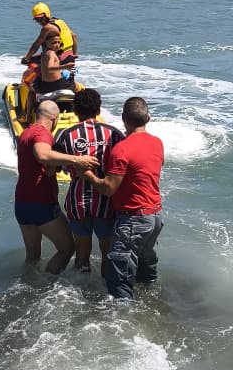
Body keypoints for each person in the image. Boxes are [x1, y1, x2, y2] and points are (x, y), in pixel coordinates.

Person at [81, 96, 164, 300]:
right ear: (148, 118)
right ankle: (152, 305)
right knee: (146, 272)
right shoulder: (157, 143)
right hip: (155, 217)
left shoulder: (122, 149)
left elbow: (108, 188)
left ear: (123, 118)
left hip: (133, 219)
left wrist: (87, 174)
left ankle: (123, 315)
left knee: (118, 277)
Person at [14, 99, 98, 274]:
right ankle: (48, 285)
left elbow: (44, 168)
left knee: (32, 257)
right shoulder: (42, 133)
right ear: (54, 118)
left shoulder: (25, 133)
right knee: (67, 249)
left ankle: (28, 285)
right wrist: (77, 159)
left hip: (21, 203)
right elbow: (42, 155)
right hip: (41, 202)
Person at [54, 88, 124, 275]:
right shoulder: (114, 134)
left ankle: (80, 287)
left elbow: (53, 168)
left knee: (82, 253)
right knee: (108, 254)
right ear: (99, 110)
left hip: (78, 203)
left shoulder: (66, 134)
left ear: (75, 111)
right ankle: (105, 288)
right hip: (106, 204)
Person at [21, 3, 78, 73]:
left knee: (32, 62)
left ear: (47, 14)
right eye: (37, 19)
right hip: (69, 56)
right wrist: (74, 55)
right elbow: (74, 36)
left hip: (60, 57)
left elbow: (36, 45)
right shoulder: (60, 21)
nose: (40, 21)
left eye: (41, 18)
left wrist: (27, 58)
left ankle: (36, 79)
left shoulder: (47, 28)